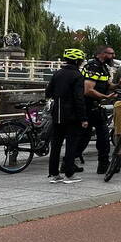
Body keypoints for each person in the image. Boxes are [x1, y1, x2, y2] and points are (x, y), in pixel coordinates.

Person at [45, 48, 88, 183]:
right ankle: (69, 174)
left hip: (57, 114)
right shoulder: (77, 76)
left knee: (56, 145)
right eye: (81, 61)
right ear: (77, 61)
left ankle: (54, 174)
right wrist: (83, 118)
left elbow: (48, 92)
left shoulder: (57, 73)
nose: (81, 63)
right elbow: (79, 99)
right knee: (71, 144)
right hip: (72, 115)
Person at [78, 46, 121, 176]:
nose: (113, 56)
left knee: (88, 136)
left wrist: (118, 85)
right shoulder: (93, 67)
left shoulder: (103, 67)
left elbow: (107, 85)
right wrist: (106, 97)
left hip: (95, 106)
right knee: (99, 135)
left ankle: (68, 162)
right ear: (102, 54)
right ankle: (102, 164)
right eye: (111, 54)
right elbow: (88, 90)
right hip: (89, 105)